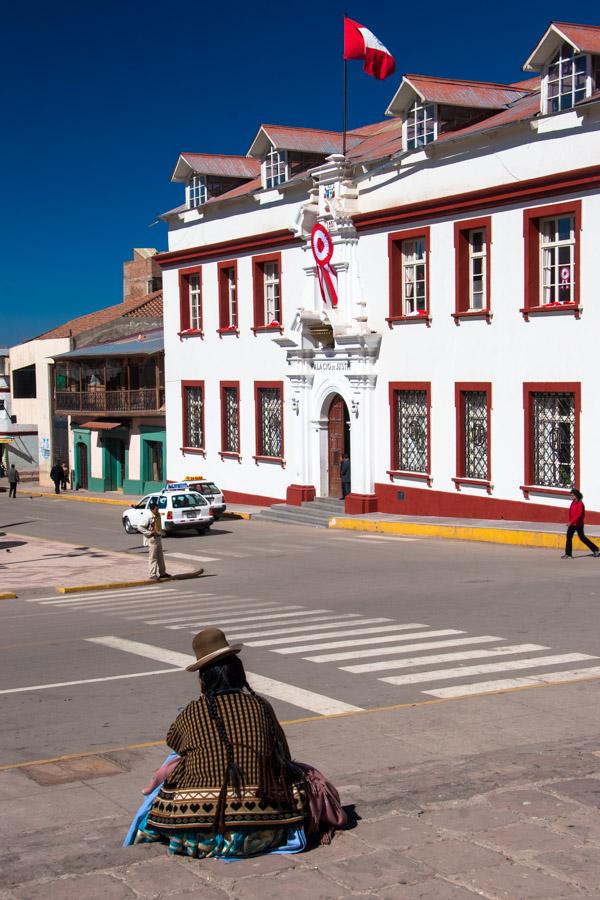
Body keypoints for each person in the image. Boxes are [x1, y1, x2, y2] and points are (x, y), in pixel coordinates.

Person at [127, 627, 309, 858]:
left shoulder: (193, 712)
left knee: (175, 761)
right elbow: (283, 753)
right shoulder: (261, 706)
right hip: (265, 828)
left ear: (203, 680)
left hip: (197, 832)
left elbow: (174, 743)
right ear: (240, 675)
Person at [137, 497, 170, 580]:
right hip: (152, 538)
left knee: (160, 557)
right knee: (153, 557)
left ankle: (162, 573)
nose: (157, 510)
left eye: (158, 508)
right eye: (156, 509)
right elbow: (139, 527)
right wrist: (149, 532)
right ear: (152, 509)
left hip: (158, 538)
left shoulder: (158, 515)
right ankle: (152, 574)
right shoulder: (148, 517)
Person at [562, 488, 600, 559]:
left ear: (577, 495)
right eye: (571, 495)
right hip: (572, 524)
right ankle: (568, 554)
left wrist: (571, 521)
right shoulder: (573, 502)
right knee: (569, 537)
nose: (572, 497)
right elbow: (571, 512)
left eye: (573, 495)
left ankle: (595, 549)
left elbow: (579, 514)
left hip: (578, 524)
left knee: (582, 538)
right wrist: (570, 521)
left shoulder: (580, 504)